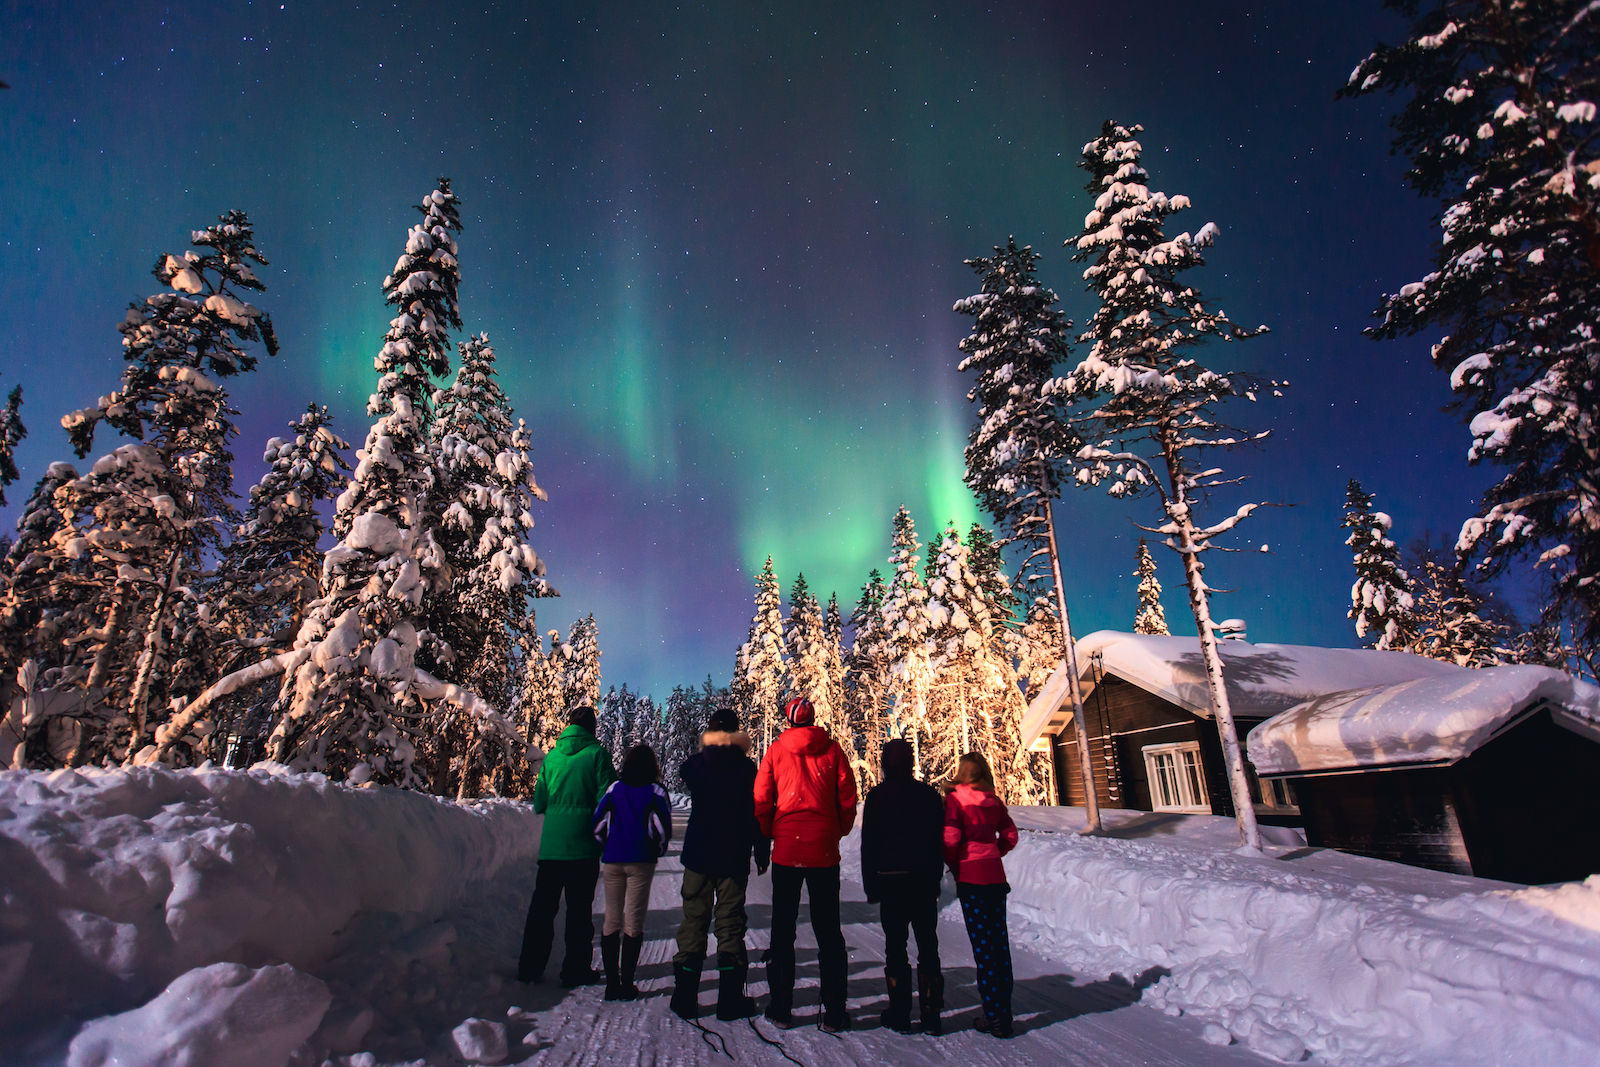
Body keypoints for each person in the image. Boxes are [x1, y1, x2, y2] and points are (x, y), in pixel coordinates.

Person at [754, 695, 858, 1032]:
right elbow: (847, 797)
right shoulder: (833, 750)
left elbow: (761, 798)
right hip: (823, 851)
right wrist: (836, 830)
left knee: (783, 929)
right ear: (812, 719)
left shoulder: (776, 751)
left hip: (787, 850)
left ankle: (781, 1007)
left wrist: (771, 832)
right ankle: (835, 1012)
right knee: (828, 930)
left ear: (789, 720)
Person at [670, 708, 770, 1021]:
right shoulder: (746, 768)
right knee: (730, 925)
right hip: (733, 856)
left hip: (699, 854)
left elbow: (684, 772)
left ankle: (685, 998)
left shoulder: (698, 764)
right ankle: (729, 1002)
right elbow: (755, 812)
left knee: (693, 922)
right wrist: (761, 851)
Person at [518, 705, 617, 987]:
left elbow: (540, 802)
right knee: (578, 911)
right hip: (583, 846)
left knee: (542, 908)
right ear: (592, 728)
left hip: (551, 847)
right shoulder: (597, 754)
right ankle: (575, 970)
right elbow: (608, 798)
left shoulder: (552, 757)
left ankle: (529, 968)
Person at [860, 738, 945, 1034]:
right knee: (928, 946)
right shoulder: (929, 796)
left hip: (891, 881)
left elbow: (869, 845)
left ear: (885, 763)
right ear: (911, 762)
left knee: (895, 946)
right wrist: (936, 879)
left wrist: (871, 883)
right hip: (922, 880)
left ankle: (900, 1013)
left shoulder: (877, 797)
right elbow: (938, 843)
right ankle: (932, 1014)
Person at [943, 751, 1019, 1038]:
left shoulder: (956, 799)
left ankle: (993, 1015)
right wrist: (993, 853)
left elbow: (950, 838)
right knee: (1000, 945)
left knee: (983, 948)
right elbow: (1011, 836)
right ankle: (1004, 1012)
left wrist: (955, 862)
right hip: (995, 879)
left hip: (971, 880)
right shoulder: (993, 801)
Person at [592, 743, 673, 1001]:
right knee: (633, 922)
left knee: (611, 920)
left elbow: (598, 823)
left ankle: (611, 985)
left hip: (613, 860)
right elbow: (662, 828)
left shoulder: (615, 788)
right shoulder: (656, 791)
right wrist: (656, 851)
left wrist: (607, 847)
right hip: (641, 861)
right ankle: (627, 984)